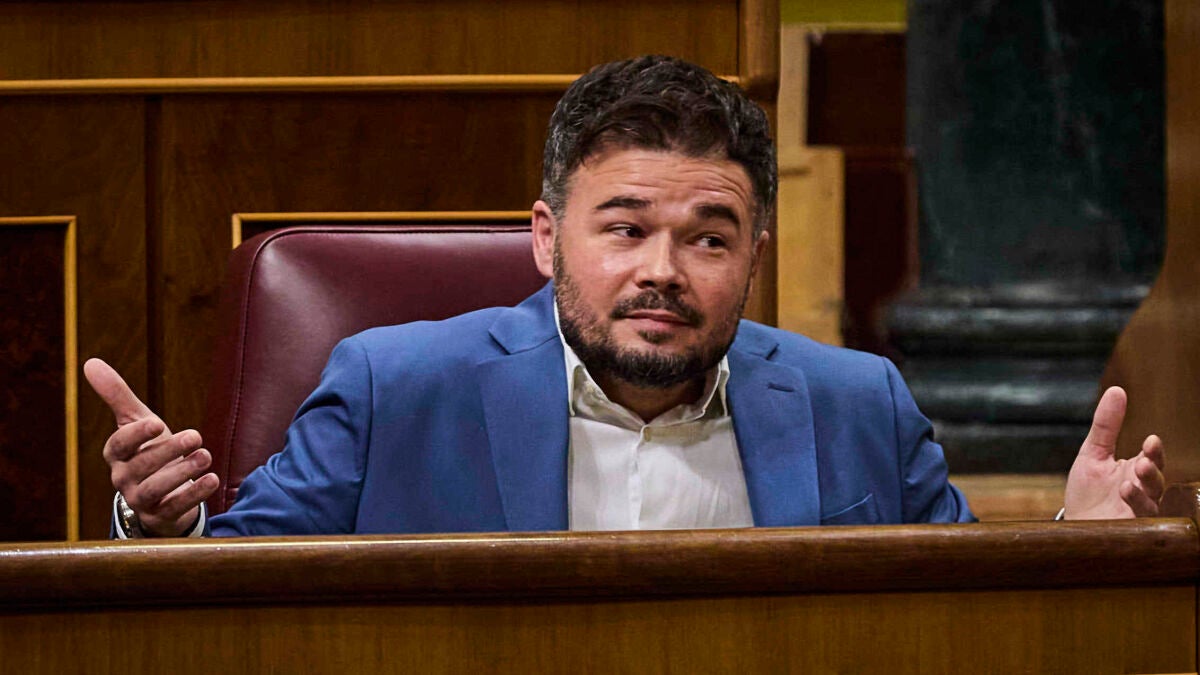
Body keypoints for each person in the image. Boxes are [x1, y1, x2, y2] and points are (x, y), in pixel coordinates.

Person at [85, 56, 1166, 538]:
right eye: (625, 227)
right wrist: (161, 519)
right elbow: (235, 590)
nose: (664, 270)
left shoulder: (859, 403)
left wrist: (1077, 544)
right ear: (546, 238)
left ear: (755, 258)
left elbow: (954, 617)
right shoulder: (390, 388)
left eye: (709, 237)